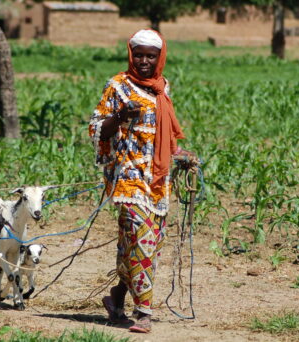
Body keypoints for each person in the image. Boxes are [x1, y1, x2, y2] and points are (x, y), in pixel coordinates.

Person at [88, 29, 192, 333]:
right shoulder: (117, 87)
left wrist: (180, 153)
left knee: (135, 245)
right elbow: (97, 130)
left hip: (157, 180)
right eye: (139, 54)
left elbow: (166, 131)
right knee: (142, 241)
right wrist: (119, 116)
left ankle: (115, 300)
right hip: (129, 178)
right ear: (130, 54)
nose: (144, 61)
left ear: (160, 58)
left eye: (151, 55)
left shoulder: (162, 87)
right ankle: (144, 311)